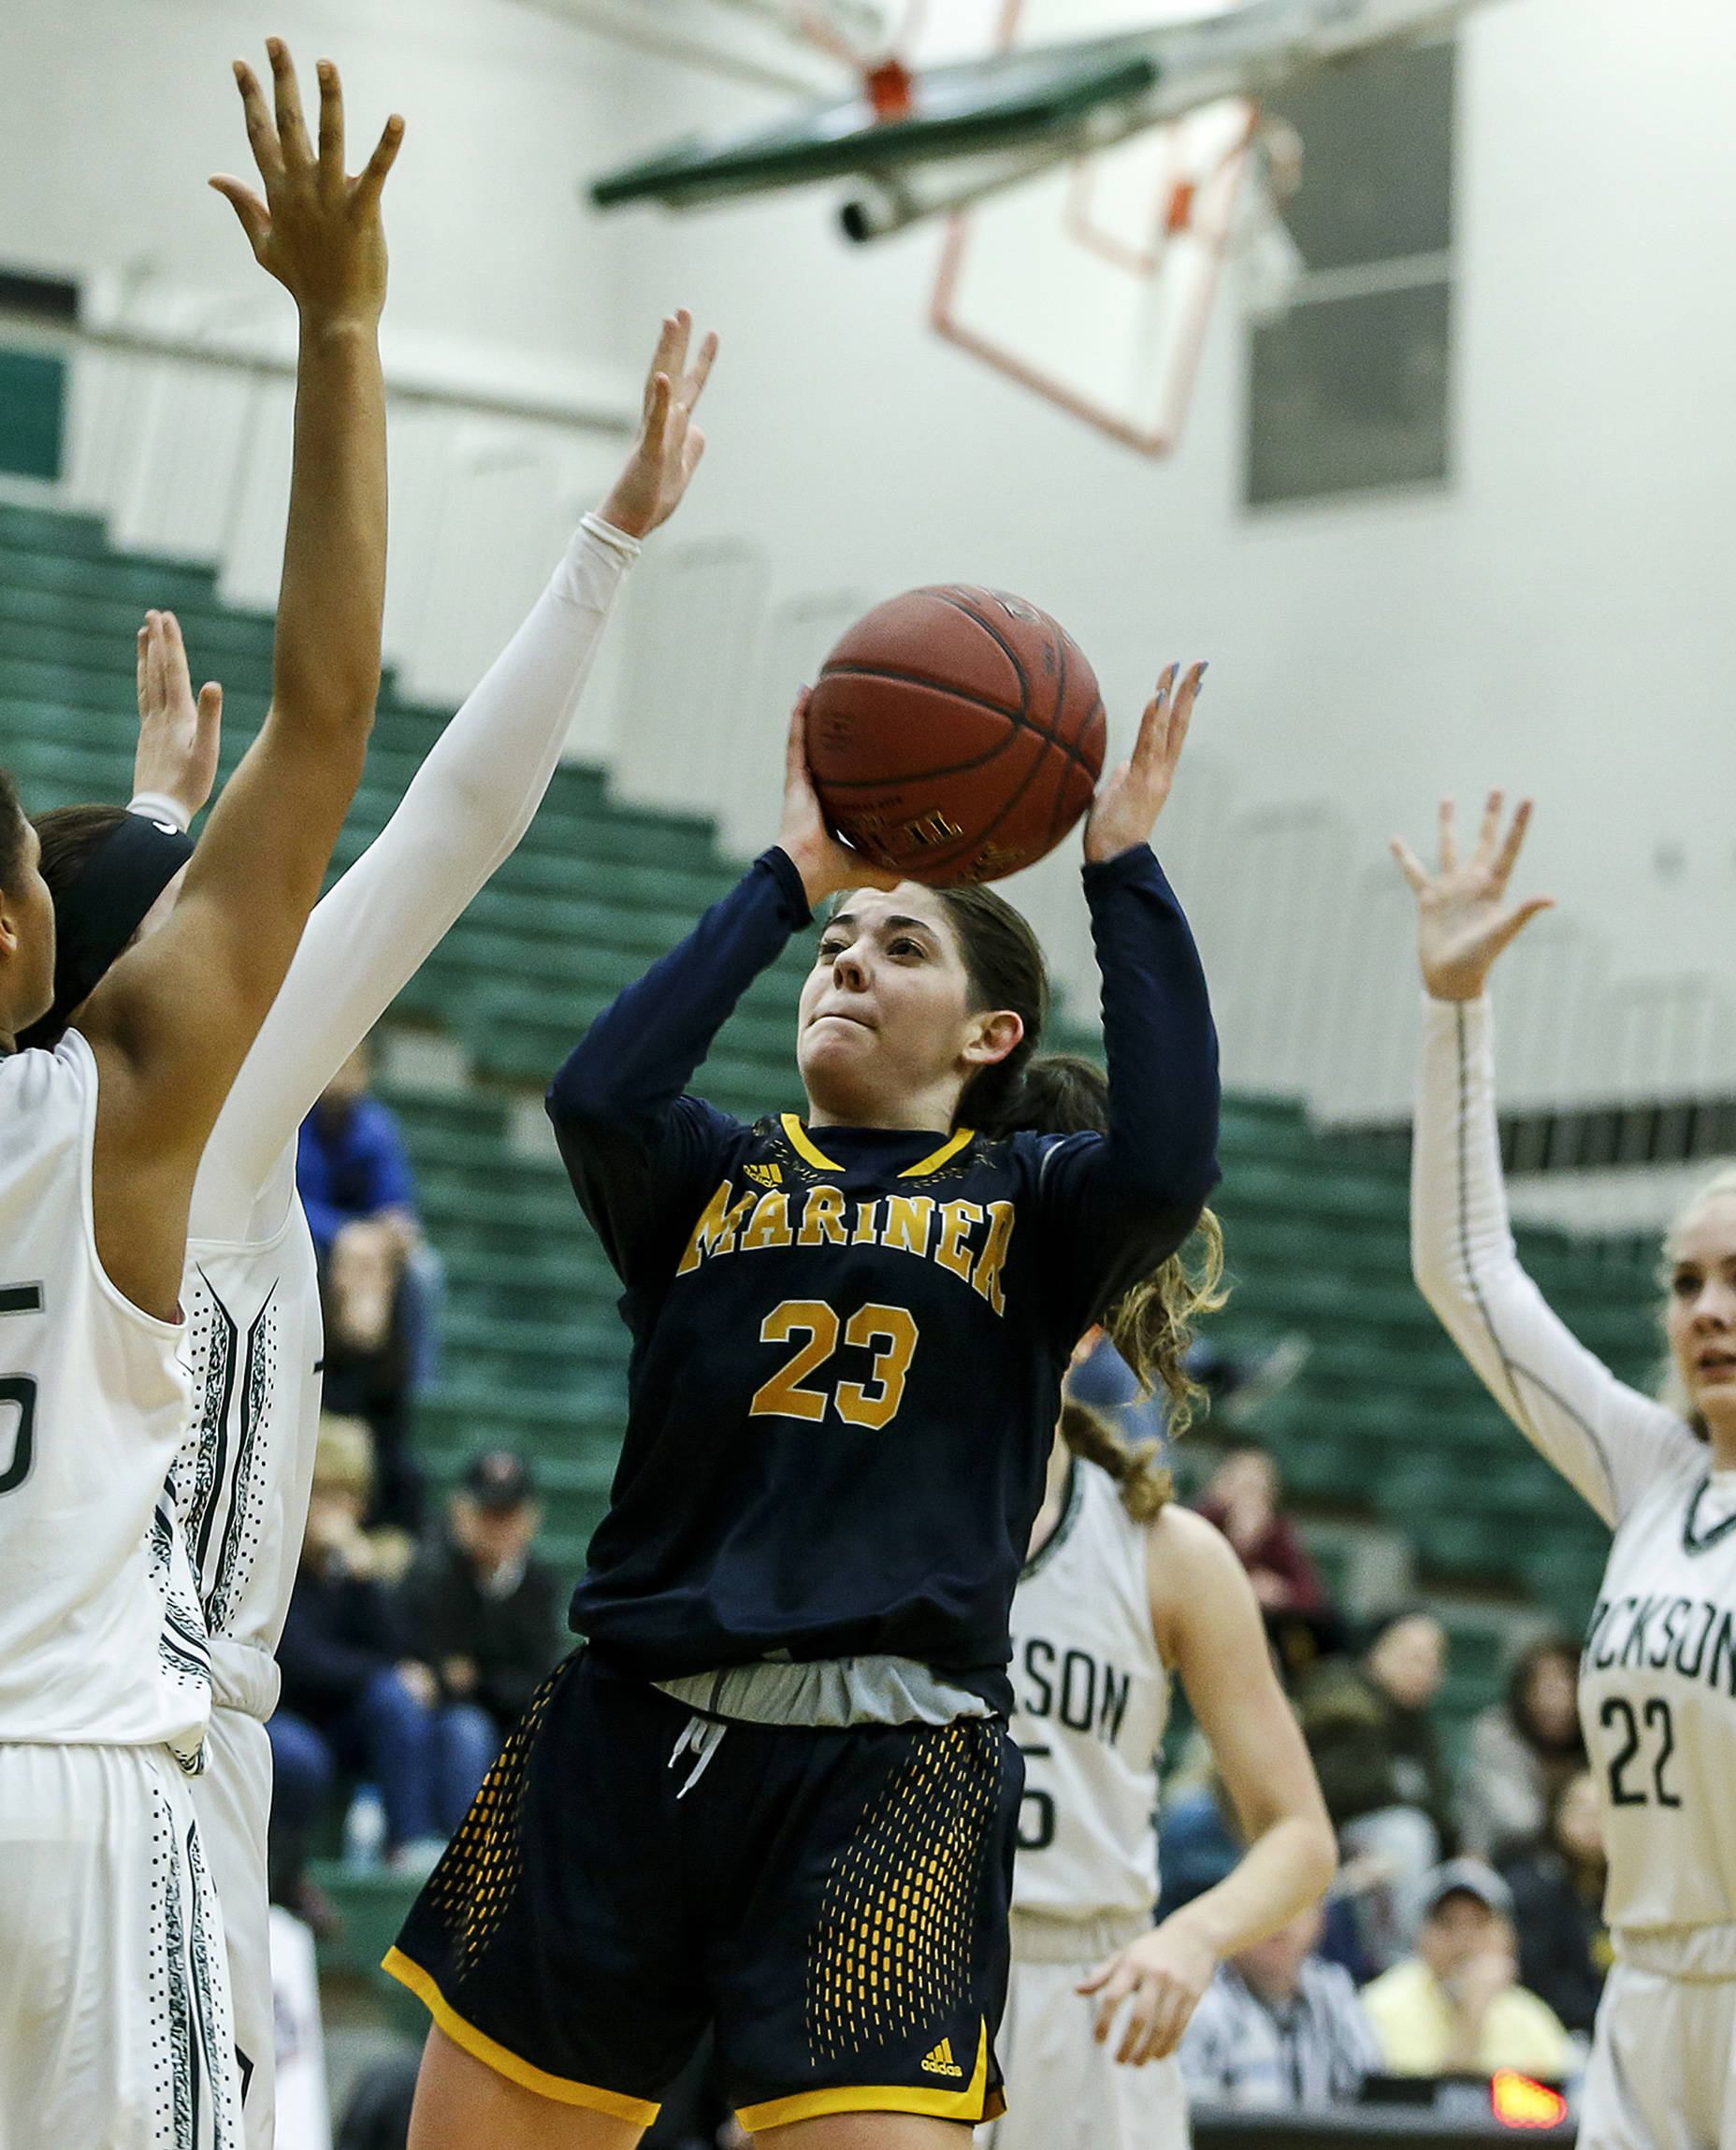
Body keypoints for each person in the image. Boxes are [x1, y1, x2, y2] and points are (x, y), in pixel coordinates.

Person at [24, 312, 716, 2142]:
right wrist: (605, 547)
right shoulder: (219, 1110)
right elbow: (451, 815)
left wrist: (157, 808)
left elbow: (108, 961)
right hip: (149, 1775)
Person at [388, 657, 1222, 2145]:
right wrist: (789, 874)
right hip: (628, 1738)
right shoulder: (708, 1168)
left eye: (901, 945)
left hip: (884, 1766)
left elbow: (1166, 1162)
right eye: (834, 944)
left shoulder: (1030, 1205)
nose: (846, 959)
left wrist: (1123, 872)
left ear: (990, 1038)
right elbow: (596, 1093)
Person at [0, 41, 399, 2148]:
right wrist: (338, 321)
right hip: (58, 1807)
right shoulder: (126, 1114)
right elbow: (328, 713)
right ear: (0, 927)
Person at [1399, 791, 1736, 2147]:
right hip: (1649, 1989)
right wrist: (1456, 1008)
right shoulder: (1656, 1467)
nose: (1707, 1308)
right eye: (1688, 1281)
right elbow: (1471, 1274)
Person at [983, 1401, 1338, 2148]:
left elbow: (1301, 1835)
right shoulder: (879, 1516)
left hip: (1091, 1984)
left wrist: (1195, 1934)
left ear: (1087, 1332)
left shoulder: (1168, 1550)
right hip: (905, 1963)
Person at [268, 1413, 443, 1867]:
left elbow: (397, 1651)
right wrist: (379, 1671)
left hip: (342, 1718)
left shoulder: (355, 1571)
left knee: (396, 1698)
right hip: (284, 1712)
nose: (335, 1513)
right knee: (300, 1755)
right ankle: (289, 1876)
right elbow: (297, 1663)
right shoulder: (274, 1561)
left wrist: (365, 1582)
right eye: (323, 1496)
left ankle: (409, 1842)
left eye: (347, 1498)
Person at [300, 1037, 429, 1529]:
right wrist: (348, 1234)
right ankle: (329, 1362)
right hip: (308, 1244)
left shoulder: (376, 1126)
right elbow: (288, 1201)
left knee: (423, 1271)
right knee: (345, 1254)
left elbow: (396, 1206)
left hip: (363, 1257)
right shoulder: (296, 1122)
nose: (343, 1076)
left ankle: (405, 1374)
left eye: (354, 1065)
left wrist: (391, 1231)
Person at [397, 1450, 562, 1831]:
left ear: (530, 1518)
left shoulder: (538, 1584)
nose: (497, 1527)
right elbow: (423, 1659)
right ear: (461, 1513)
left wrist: (478, 1679)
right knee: (465, 1729)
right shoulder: (434, 1573)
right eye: (488, 1514)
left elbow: (538, 1679)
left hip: (512, 1721)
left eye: (508, 1515)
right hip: (444, 1718)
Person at [1296, 1605, 1454, 1967]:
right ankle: (1398, 1965)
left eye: (1434, 1661)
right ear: (1376, 1653)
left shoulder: (1421, 1728)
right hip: (1330, 1844)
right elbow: (1347, 1793)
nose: (1424, 1669)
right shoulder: (1341, 1702)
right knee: (1406, 1833)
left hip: (1386, 1854)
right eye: (1413, 1656)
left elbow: (1443, 1815)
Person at [1361, 1861, 1573, 2082]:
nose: (1464, 1942)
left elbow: (1565, 2104)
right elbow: (1418, 2110)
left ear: (1508, 1937)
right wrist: (1472, 2018)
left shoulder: (1531, 2017)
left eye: (1479, 1923)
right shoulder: (1382, 2006)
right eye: (1447, 1924)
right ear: (1420, 1936)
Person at [1179, 1903, 1381, 2110]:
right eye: (1263, 1905)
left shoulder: (1335, 1990)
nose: (1278, 1921)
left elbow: (1374, 2096)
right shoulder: (1195, 2000)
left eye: (1296, 1903)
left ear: (1321, 1920)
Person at [1498, 1768, 1610, 2038]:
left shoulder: (1631, 1893)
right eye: (1580, 1808)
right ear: (1556, 1813)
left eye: (1603, 1810)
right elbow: (1539, 1985)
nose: (1591, 1821)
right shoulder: (1532, 1889)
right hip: (1553, 2033)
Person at [1456, 1631, 1585, 1861]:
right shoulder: (1495, 1734)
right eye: (1545, 1686)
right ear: (1523, 1692)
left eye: (1564, 1686)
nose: (1555, 1701)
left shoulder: (1593, 1741)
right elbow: (1519, 1821)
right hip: (1498, 1860)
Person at [1194, 1445, 1327, 1613]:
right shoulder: (1201, 1524)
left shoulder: (1276, 1532)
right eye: (1244, 1487)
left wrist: (1280, 1593)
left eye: (1258, 1490)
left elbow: (1313, 1596)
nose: (1249, 1498)